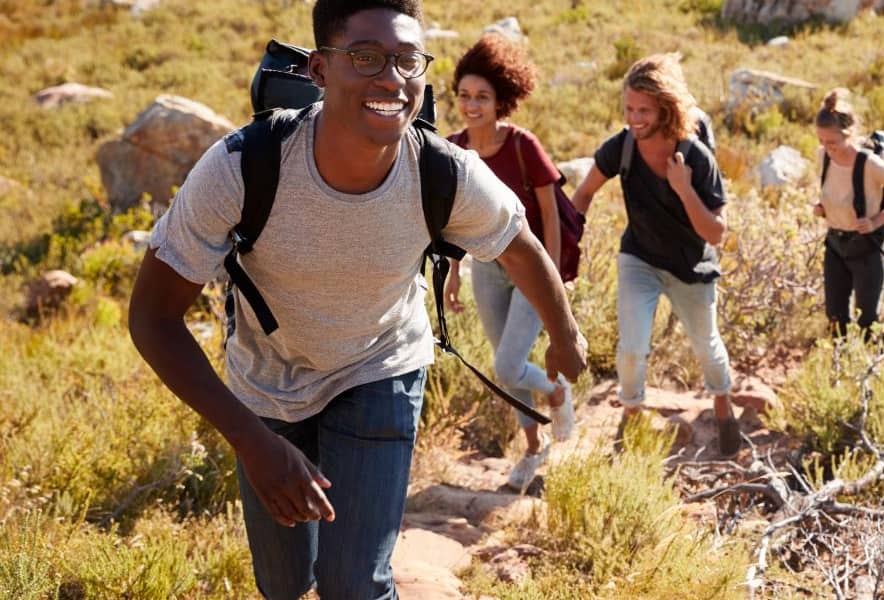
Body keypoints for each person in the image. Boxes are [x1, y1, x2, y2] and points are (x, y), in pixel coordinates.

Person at [126, 1, 587, 598]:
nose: (391, 78)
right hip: (268, 385)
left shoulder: (443, 172)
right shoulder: (244, 167)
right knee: (285, 585)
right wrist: (251, 441)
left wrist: (565, 333)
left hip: (380, 366)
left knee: (352, 585)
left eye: (406, 60)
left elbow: (520, 246)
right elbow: (152, 317)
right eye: (366, 58)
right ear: (319, 70)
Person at [571, 53, 740, 456]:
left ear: (666, 109)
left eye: (644, 110)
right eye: (629, 108)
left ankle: (723, 406)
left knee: (707, 346)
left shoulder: (696, 156)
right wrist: (565, 243)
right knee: (631, 348)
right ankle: (630, 420)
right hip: (640, 259)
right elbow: (584, 193)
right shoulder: (623, 147)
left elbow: (716, 234)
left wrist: (684, 189)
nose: (634, 118)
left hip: (691, 268)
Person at [444, 34, 574, 492]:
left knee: (507, 365)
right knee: (507, 366)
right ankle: (534, 448)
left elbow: (552, 219)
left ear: (502, 100)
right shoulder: (454, 149)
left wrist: (552, 276)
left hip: (531, 271)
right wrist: (453, 271)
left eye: (482, 97)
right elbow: (452, 220)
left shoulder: (523, 146)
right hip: (485, 268)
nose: (472, 105)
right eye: (464, 96)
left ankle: (557, 393)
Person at [812, 88, 884, 350]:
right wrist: (823, 208)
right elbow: (834, 192)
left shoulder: (869, 164)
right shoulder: (823, 156)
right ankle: (841, 374)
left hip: (865, 249)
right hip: (835, 246)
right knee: (836, 320)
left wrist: (877, 221)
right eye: (822, 141)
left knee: (868, 323)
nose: (827, 148)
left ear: (849, 135)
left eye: (833, 142)